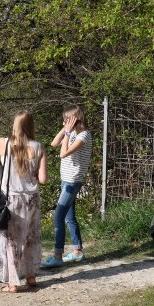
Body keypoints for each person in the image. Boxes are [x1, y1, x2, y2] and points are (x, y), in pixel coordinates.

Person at [0, 111, 48, 292]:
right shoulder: (39, 147)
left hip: (12, 200)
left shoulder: (4, 144)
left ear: (15, 126)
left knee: (12, 242)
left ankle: (13, 282)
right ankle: (30, 276)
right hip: (32, 200)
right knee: (30, 237)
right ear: (31, 126)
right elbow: (43, 178)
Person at [41, 105, 92, 268]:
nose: (64, 122)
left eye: (66, 119)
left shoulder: (83, 136)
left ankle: (57, 255)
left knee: (58, 216)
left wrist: (69, 133)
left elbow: (63, 153)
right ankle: (78, 251)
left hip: (72, 181)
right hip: (66, 180)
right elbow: (54, 143)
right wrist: (65, 130)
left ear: (74, 120)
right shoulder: (73, 133)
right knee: (70, 217)